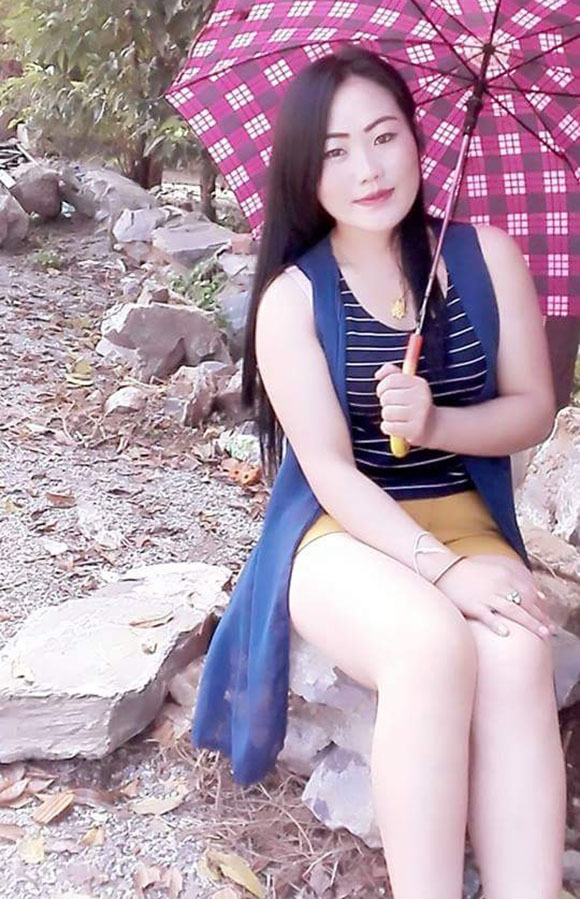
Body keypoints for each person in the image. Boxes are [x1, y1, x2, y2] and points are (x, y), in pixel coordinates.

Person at [194, 45, 566, 898]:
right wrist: (442, 573)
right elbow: (328, 470)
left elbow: (533, 409)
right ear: (304, 171)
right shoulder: (293, 299)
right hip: (338, 533)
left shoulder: (485, 257)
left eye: (384, 136)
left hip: (463, 515)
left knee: (517, 655)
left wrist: (438, 422)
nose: (367, 169)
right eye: (335, 151)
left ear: (416, 139)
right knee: (429, 642)